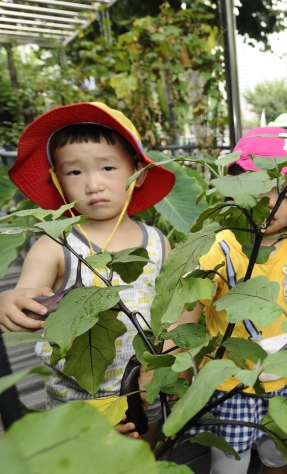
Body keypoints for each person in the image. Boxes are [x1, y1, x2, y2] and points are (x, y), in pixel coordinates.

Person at [0, 102, 176, 446]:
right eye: (75, 172)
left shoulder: (158, 242)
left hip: (143, 391)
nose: (93, 184)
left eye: (108, 167)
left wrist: (171, 357)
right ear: (57, 180)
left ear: (137, 173)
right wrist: (11, 302)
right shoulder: (54, 246)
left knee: (142, 455)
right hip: (78, 403)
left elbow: (174, 308)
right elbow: (29, 295)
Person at [174, 127, 287, 474]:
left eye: (283, 191)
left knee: (279, 453)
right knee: (229, 462)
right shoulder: (218, 245)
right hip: (232, 382)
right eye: (257, 187)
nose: (269, 201)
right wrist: (176, 363)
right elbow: (187, 310)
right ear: (234, 189)